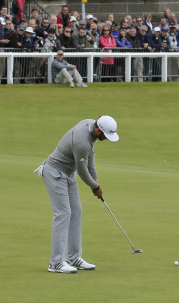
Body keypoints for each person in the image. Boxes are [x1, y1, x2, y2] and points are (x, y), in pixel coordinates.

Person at [35, 115, 119, 274]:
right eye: (106, 136)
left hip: (68, 173)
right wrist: (94, 186)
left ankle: (73, 258)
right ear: (98, 129)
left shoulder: (91, 128)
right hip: (55, 173)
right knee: (63, 213)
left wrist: (96, 180)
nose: (106, 139)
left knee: (76, 211)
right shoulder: (81, 141)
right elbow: (82, 170)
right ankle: (56, 262)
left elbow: (90, 156)